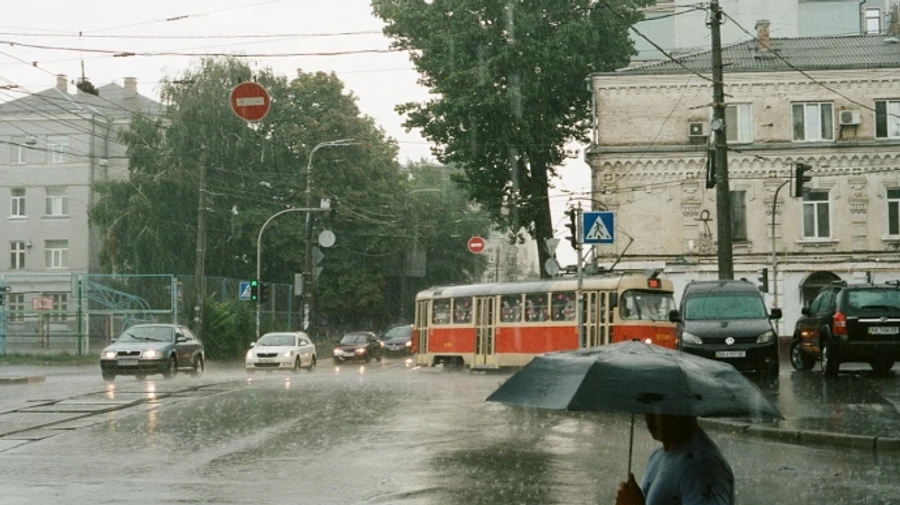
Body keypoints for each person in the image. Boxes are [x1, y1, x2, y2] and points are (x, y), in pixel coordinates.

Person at [615, 413, 734, 505]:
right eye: (647, 406)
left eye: (660, 406)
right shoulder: (658, 456)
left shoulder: (701, 467)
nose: (649, 418)